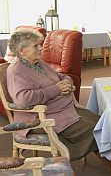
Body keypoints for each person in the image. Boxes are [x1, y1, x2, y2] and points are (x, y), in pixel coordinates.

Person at [6, 29, 99, 161]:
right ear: (22, 51)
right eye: (35, 46)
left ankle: (107, 154)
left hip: (62, 109)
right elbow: (23, 99)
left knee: (101, 122)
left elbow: (61, 76)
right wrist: (56, 89)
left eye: (39, 44)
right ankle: (104, 157)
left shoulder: (38, 63)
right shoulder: (17, 70)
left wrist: (66, 82)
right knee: (96, 129)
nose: (40, 48)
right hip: (39, 118)